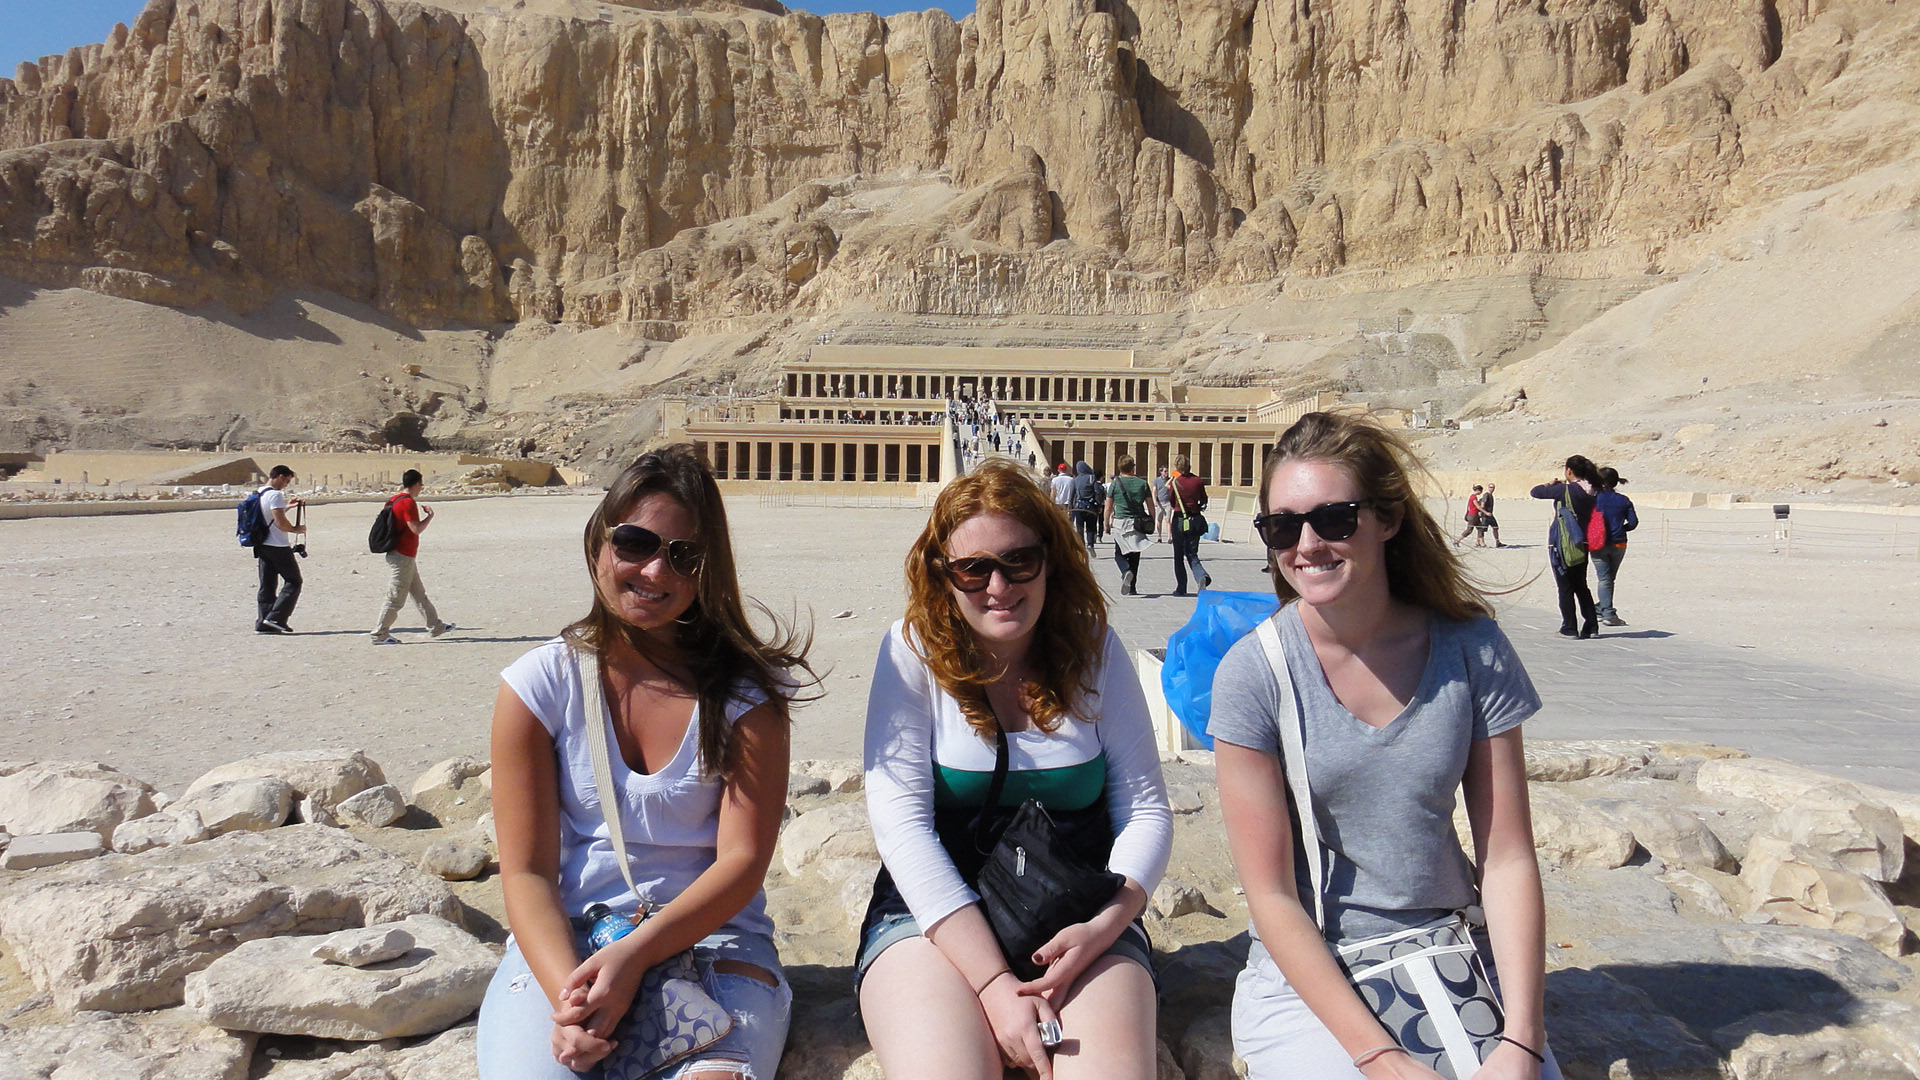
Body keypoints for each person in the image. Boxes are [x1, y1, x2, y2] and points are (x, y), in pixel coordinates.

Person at [1210, 411, 1559, 1080]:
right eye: (1282, 526)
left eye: (1334, 520)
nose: (1307, 545)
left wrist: (1523, 1038)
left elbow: (1509, 856)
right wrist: (1382, 1057)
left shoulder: (1471, 649)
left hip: (1450, 946)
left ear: (1388, 519)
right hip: (1310, 974)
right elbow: (1272, 897)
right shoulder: (1255, 674)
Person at [478, 445, 815, 1080]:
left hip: (712, 938)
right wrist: (571, 1000)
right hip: (569, 941)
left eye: (684, 556)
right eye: (634, 543)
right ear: (598, 543)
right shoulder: (538, 686)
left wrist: (633, 960)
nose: (655, 570)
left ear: (709, 569)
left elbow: (742, 862)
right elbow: (527, 872)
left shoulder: (747, 697)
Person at [858, 458, 1172, 1080]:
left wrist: (1108, 923)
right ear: (943, 576)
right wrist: (993, 982)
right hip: (933, 921)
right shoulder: (912, 651)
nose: (998, 585)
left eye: (1018, 561)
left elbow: (1145, 809)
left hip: (1079, 918)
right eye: (973, 569)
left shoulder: (1094, 648)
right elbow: (902, 828)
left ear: (1050, 560)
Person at [371, 469, 455, 644]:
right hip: (402, 556)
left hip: (402, 555)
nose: (421, 488)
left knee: (419, 594)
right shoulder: (408, 502)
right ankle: (379, 634)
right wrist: (430, 517)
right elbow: (416, 529)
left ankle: (436, 626)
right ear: (416, 484)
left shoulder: (394, 499)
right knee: (396, 597)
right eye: (421, 484)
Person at [1532, 456, 1601, 639]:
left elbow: (1536, 492)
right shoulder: (1592, 490)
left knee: (1565, 586)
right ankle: (1591, 626)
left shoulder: (1565, 490)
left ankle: (1569, 627)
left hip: (1562, 543)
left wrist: (1550, 484)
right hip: (1582, 542)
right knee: (1581, 586)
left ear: (1569, 470)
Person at [254, 465, 306, 634]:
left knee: (267, 584)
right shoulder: (275, 495)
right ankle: (277, 618)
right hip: (278, 545)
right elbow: (280, 522)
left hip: (262, 544)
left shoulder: (259, 492)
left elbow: (268, 513)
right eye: (287, 481)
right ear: (280, 476)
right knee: (294, 581)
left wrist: (287, 506)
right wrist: (295, 529)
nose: (286, 485)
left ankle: (264, 622)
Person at [1591, 468, 1638, 626]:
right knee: (1609, 578)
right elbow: (1633, 523)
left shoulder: (1593, 498)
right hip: (1619, 542)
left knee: (1604, 579)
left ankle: (1605, 611)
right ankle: (1605, 610)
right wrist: (1621, 529)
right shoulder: (1623, 500)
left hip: (1597, 542)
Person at [1105, 456, 1156, 596]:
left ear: (1120, 468)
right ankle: (1132, 587)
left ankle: (1126, 571)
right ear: (1133, 467)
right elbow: (1151, 506)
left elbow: (1108, 507)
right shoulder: (1142, 483)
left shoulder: (1115, 484)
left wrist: (1106, 523)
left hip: (1120, 522)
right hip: (1137, 523)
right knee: (1135, 555)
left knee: (1119, 553)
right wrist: (1152, 521)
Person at [1166, 455, 1211, 596]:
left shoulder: (1175, 482)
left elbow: (1172, 501)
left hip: (1179, 519)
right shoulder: (1198, 480)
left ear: (1177, 467)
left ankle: (1181, 587)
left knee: (1178, 554)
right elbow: (1204, 499)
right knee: (1192, 553)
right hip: (1194, 519)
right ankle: (1200, 575)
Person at [1070, 461, 1100, 548]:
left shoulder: (1075, 479)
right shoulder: (1092, 477)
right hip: (1090, 506)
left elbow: (1072, 494)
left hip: (1078, 506)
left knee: (1079, 527)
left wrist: (1070, 507)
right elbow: (1097, 491)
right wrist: (1098, 504)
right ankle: (1090, 543)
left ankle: (1081, 544)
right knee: (1090, 526)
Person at [1480, 483, 1504, 547]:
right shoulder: (1486, 495)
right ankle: (1480, 542)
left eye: (1493, 487)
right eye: (1490, 487)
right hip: (1485, 515)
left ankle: (1497, 542)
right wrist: (1485, 512)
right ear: (1488, 487)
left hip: (1490, 515)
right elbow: (1482, 505)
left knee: (1495, 527)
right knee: (1482, 529)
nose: (1492, 489)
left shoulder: (1491, 495)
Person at [1151, 466, 1171, 541]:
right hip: (1159, 502)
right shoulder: (1157, 480)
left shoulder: (1169, 480)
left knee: (1168, 520)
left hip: (1168, 502)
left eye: (1167, 471)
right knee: (1159, 520)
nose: (1166, 473)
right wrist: (1155, 501)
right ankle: (1159, 536)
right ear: (1161, 472)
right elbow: (1154, 491)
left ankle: (1169, 537)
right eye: (1165, 471)